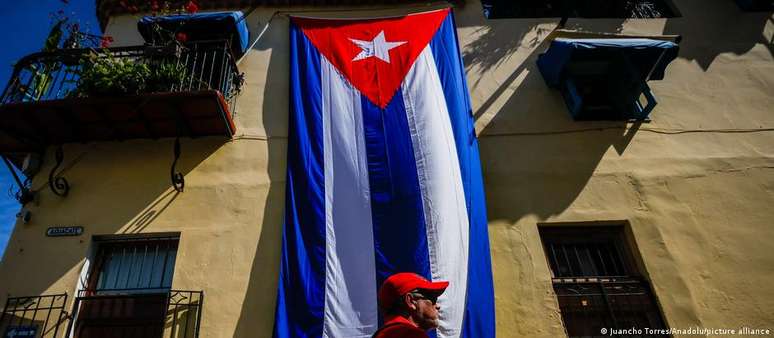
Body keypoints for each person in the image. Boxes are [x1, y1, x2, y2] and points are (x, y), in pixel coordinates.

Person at [372, 272, 449, 338]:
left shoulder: (382, 334)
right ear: (411, 301)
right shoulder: (411, 334)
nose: (438, 306)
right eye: (433, 299)